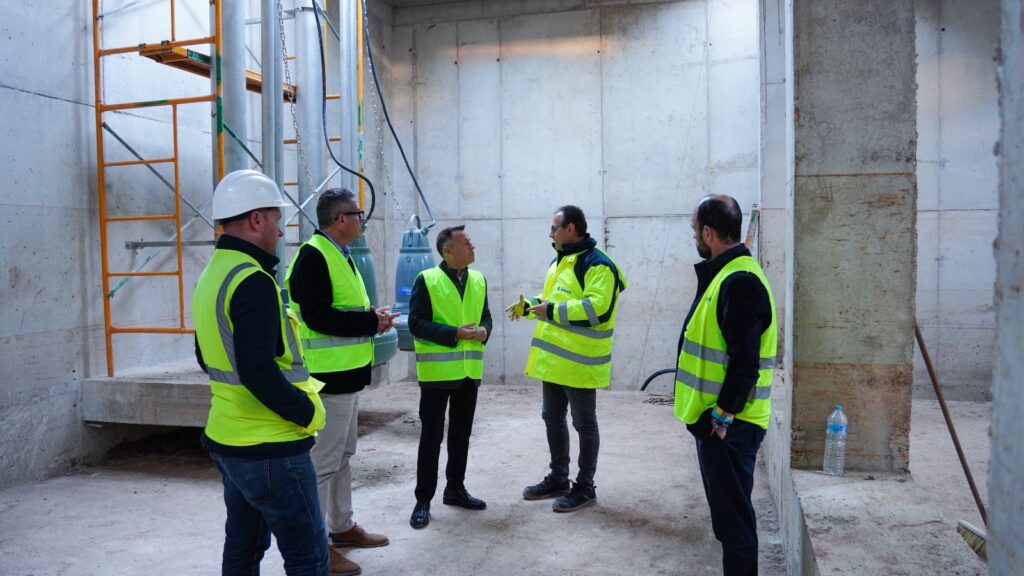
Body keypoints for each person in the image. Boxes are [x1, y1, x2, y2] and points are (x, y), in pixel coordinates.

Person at [193, 169, 328, 576]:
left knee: (243, 548)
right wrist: (303, 412)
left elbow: (205, 355)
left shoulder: (213, 273)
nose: (281, 231)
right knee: (309, 557)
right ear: (256, 220)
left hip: (227, 438)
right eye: (276, 218)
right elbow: (255, 369)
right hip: (271, 447)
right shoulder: (253, 280)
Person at [285, 188, 398, 575]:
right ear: (340, 219)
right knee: (322, 463)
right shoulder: (313, 256)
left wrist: (370, 314)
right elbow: (317, 317)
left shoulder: (339, 253)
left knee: (343, 456)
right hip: (327, 378)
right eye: (357, 213)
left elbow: (339, 310)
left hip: (347, 375)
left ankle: (342, 527)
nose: (361, 219)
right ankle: (318, 547)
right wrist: (371, 322)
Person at [675, 195, 776, 576]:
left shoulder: (741, 282)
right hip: (723, 424)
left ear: (709, 232)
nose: (694, 237)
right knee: (728, 520)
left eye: (694, 230)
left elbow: (745, 365)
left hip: (731, 427)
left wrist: (719, 418)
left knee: (735, 526)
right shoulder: (726, 275)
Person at [510, 205, 627, 513]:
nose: (550, 234)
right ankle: (559, 479)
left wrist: (549, 310)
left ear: (571, 229)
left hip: (580, 363)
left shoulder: (598, 265)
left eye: (554, 228)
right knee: (552, 417)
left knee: (584, 423)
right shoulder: (561, 260)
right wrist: (531, 305)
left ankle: (585, 488)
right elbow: (555, 301)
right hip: (555, 362)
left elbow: (595, 310)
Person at [407, 225, 493, 529]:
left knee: (460, 435)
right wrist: (453, 334)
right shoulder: (427, 280)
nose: (472, 246)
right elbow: (415, 323)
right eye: (466, 243)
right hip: (437, 374)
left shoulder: (479, 279)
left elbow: (486, 316)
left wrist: (484, 331)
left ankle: (455, 489)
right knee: (431, 437)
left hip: (469, 372)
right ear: (447, 250)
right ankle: (423, 500)